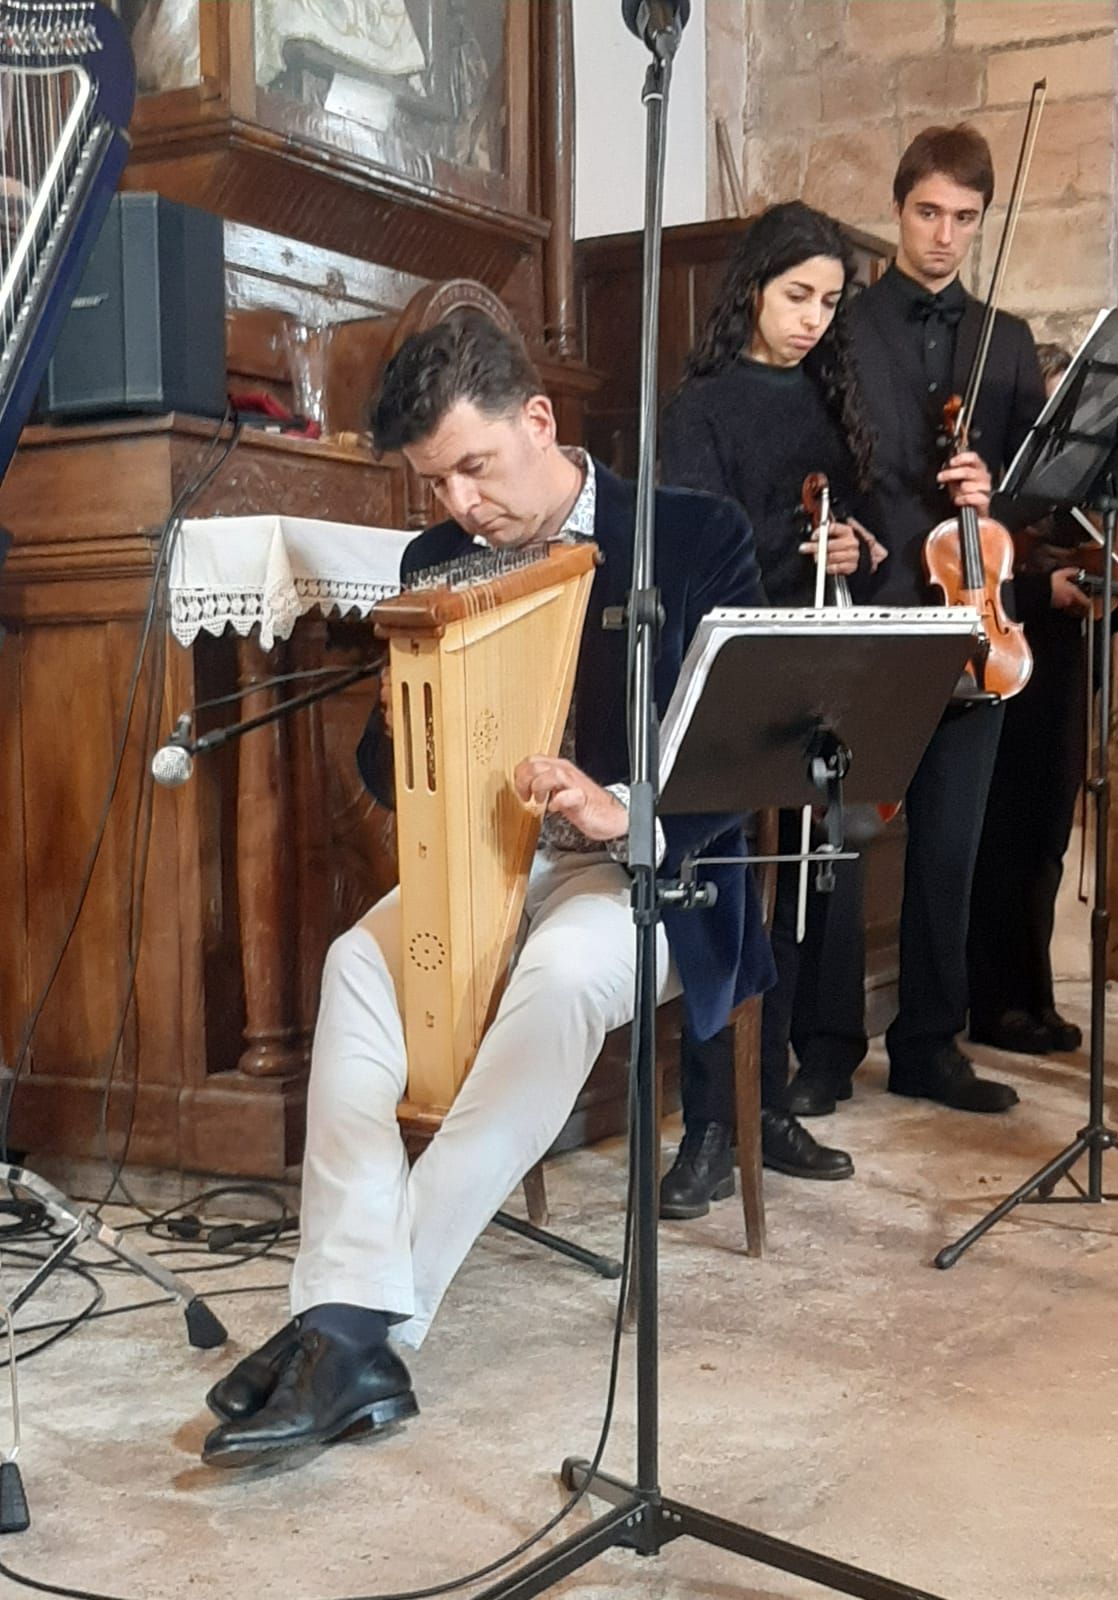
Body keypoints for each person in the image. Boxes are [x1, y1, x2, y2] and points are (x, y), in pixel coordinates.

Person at [199, 309, 774, 1466]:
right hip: (497, 864)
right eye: (436, 482)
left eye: (475, 465)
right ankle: (350, 1332)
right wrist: (415, 698)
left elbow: (747, 747)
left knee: (563, 972)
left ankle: (350, 1323)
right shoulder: (436, 562)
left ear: (540, 422)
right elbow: (384, 766)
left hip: (650, 870)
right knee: (357, 962)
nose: (461, 504)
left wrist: (629, 809)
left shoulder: (693, 535)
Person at [656, 202, 876, 1217]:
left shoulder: (832, 398)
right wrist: (797, 551)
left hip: (814, 667)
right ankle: (710, 1119)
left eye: (830, 302)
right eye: (798, 296)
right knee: (723, 901)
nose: (814, 320)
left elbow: (862, 524)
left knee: (795, 892)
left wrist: (858, 549)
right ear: (753, 287)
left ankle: (770, 1100)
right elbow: (701, 539)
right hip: (727, 664)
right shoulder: (699, 405)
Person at [826, 122, 1045, 1115]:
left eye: (965, 218)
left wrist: (999, 491)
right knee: (843, 836)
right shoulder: (843, 327)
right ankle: (825, 1047)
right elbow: (816, 464)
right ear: (899, 206)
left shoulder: (1007, 343)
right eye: (929, 213)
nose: (946, 235)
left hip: (974, 621)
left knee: (951, 844)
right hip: (872, 621)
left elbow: (1042, 496)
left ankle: (930, 1044)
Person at [968, 344, 1118, 1058]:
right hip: (1007, 677)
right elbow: (994, 579)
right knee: (1002, 846)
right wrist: (1051, 589)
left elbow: (1091, 589)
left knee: (1045, 846)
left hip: (1063, 680)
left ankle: (1034, 996)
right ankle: (992, 1004)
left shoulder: (1074, 501)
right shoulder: (1004, 494)